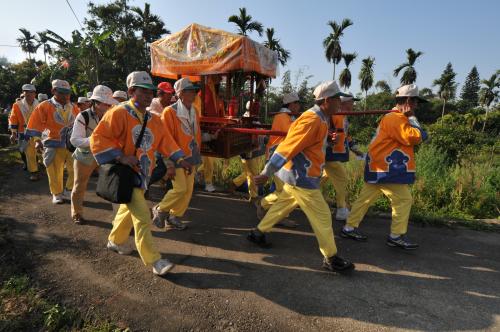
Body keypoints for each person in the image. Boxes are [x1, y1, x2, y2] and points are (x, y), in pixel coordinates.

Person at [247, 81, 354, 273]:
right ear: (327, 100)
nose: (341, 103)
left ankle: (258, 233)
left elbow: (311, 145)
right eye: (338, 99)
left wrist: (327, 142)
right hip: (301, 177)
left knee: (281, 206)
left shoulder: (321, 118)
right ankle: (331, 257)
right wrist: (266, 172)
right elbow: (286, 147)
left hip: (299, 175)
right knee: (322, 216)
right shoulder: (311, 119)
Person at [90, 71, 190, 276]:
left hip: (143, 174)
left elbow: (166, 141)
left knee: (127, 210)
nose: (147, 95)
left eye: (150, 92)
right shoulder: (119, 112)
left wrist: (180, 158)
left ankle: (114, 240)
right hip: (127, 172)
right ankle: (155, 260)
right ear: (130, 91)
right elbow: (98, 138)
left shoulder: (153, 119)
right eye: (142, 91)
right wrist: (120, 156)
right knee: (143, 216)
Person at [341, 84, 428, 250]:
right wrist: (414, 120)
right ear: (409, 101)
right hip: (386, 168)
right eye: (416, 102)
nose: (417, 106)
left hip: (379, 166)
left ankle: (349, 228)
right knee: (404, 199)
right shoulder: (396, 118)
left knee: (365, 199)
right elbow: (414, 138)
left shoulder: (395, 117)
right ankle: (396, 236)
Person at [152, 78, 217, 231]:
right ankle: (160, 209)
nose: (194, 93)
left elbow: (195, 134)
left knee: (187, 191)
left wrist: (211, 137)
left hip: (191, 157)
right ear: (180, 94)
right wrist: (169, 164)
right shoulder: (169, 112)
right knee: (180, 189)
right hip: (177, 158)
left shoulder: (194, 110)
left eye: (194, 90)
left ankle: (174, 217)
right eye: (189, 91)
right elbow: (164, 140)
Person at [26, 79, 79, 204]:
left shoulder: (74, 107)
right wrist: (38, 140)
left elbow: (80, 124)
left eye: (67, 93)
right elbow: (36, 124)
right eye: (62, 93)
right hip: (52, 142)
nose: (65, 96)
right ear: (53, 91)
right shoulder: (44, 106)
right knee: (54, 170)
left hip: (71, 144)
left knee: (75, 169)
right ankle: (57, 193)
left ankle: (68, 189)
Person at [70, 85, 117, 224]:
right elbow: (75, 140)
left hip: (106, 155)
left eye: (109, 103)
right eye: (105, 102)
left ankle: (118, 220)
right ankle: (77, 213)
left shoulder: (112, 114)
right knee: (79, 186)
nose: (108, 105)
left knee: (113, 186)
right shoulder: (83, 116)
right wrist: (95, 141)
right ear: (95, 102)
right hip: (85, 156)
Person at [256, 92, 300, 226]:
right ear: (291, 104)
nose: (298, 106)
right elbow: (293, 134)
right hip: (277, 157)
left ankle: (279, 215)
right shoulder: (283, 117)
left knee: (285, 190)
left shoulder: (287, 116)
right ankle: (263, 204)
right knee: (283, 190)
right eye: (297, 103)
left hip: (282, 157)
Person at [322, 92, 362, 221]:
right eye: (351, 101)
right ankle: (341, 209)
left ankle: (312, 198)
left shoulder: (343, 116)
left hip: (334, 153)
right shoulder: (336, 115)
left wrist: (354, 148)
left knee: (320, 179)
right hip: (330, 153)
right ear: (344, 102)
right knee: (343, 179)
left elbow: (345, 134)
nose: (353, 104)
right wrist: (331, 138)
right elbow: (328, 131)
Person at [8, 84, 40, 181]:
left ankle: (41, 165)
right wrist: (13, 133)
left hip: (39, 132)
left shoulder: (40, 105)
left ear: (35, 94)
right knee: (29, 153)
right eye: (26, 92)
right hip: (24, 133)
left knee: (40, 152)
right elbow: (13, 119)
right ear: (23, 93)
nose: (28, 94)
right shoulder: (17, 105)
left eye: (31, 92)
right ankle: (34, 172)